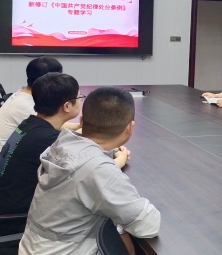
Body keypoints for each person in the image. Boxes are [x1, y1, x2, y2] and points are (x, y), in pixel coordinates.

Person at [19, 87, 161, 255]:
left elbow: (85, 169)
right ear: (130, 127)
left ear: (82, 121)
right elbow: (148, 226)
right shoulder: (99, 171)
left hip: (34, 247)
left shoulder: (62, 143)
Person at [0, 72, 83, 233]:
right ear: (67, 106)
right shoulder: (48, 140)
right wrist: (119, 159)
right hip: (18, 220)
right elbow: (87, 174)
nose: (81, 101)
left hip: (3, 203)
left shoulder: (29, 124)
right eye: (80, 98)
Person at [0, 56, 78, 171]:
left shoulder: (23, 96)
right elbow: (54, 127)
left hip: (4, 162)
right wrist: (84, 128)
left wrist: (79, 126)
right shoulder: (27, 106)